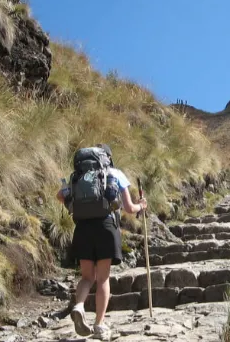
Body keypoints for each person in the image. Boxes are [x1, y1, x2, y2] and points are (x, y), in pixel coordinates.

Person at [56, 144, 147, 340]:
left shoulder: (77, 175)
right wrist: (142, 205)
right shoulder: (115, 174)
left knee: (87, 277)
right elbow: (130, 209)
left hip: (83, 228)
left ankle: (79, 306)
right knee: (103, 278)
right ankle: (99, 325)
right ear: (108, 157)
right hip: (106, 227)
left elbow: (60, 196)